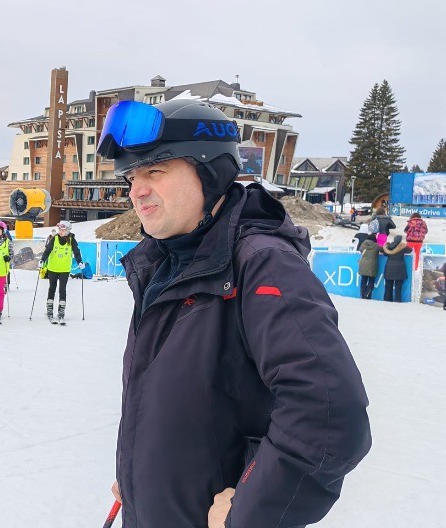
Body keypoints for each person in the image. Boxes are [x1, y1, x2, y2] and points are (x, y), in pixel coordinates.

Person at [96, 98, 371, 526]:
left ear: (210, 172)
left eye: (155, 170)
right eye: (131, 175)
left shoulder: (262, 263)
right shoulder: (162, 264)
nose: (136, 190)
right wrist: (142, 479)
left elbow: (330, 415)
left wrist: (248, 511)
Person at [39, 220, 83, 324]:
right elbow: (48, 250)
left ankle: (61, 311)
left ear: (67, 230)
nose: (60, 231)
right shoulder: (54, 238)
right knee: (52, 288)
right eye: (59, 229)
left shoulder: (72, 239)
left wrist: (80, 262)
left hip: (64, 269)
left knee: (62, 289)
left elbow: (76, 252)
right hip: (53, 268)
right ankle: (49, 309)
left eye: (62, 230)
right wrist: (42, 260)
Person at [381, 234, 411, 302]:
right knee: (398, 285)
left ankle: (387, 299)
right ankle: (397, 299)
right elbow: (410, 250)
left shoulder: (388, 247)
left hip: (389, 267)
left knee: (388, 285)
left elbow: (385, 253)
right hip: (399, 268)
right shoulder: (402, 247)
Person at [358, 233, 380, 299]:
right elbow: (382, 250)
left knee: (363, 280)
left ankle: (362, 295)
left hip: (363, 263)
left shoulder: (363, 244)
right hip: (371, 264)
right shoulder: (376, 246)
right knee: (371, 280)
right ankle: (367, 295)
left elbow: (360, 250)